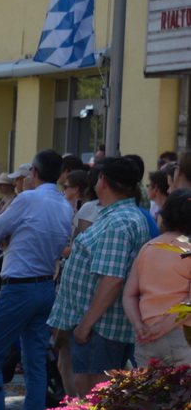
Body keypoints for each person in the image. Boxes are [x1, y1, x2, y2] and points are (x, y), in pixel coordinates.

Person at [0, 149, 74, 410]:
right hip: (47, 285)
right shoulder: (64, 205)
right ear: (60, 174)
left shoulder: (28, 199)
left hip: (19, 286)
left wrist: (8, 237)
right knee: (35, 364)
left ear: (33, 172)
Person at [50, 155, 152, 395]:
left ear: (103, 181)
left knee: (92, 393)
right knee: (92, 391)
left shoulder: (118, 222)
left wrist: (85, 326)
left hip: (100, 327)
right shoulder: (120, 215)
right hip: (97, 324)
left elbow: (112, 279)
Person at [123, 191, 191, 367]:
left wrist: (139, 325)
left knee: (149, 393)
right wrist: (163, 327)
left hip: (145, 337)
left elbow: (129, 295)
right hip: (182, 335)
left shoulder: (149, 247)